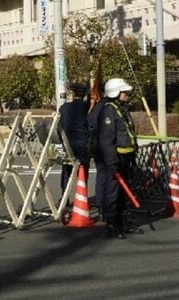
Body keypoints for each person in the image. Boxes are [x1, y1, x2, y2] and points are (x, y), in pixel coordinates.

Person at [96, 78, 142, 239]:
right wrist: (112, 161)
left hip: (126, 156)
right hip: (116, 158)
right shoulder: (109, 110)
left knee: (124, 193)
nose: (128, 94)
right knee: (113, 193)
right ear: (116, 93)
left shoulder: (121, 108)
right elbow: (106, 139)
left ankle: (124, 222)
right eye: (125, 92)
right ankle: (112, 225)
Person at [59, 83, 90, 194]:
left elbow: (60, 125)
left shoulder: (64, 108)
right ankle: (82, 194)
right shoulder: (87, 107)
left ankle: (64, 196)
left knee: (66, 170)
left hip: (68, 143)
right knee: (83, 170)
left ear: (72, 93)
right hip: (82, 143)